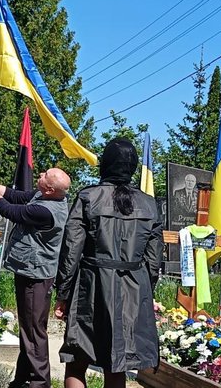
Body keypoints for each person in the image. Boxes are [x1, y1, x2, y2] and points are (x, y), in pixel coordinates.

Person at [54, 138, 164, 388]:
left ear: (105, 164)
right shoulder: (149, 204)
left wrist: (62, 294)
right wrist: (143, 293)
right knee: (117, 364)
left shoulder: (87, 197)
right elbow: (154, 260)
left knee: (77, 359)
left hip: (90, 288)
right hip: (131, 291)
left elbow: (71, 250)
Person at [0, 167, 72, 388]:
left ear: (49, 189)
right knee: (28, 328)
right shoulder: (45, 196)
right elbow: (14, 195)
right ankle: (22, 380)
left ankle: (39, 383)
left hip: (35, 276)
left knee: (34, 331)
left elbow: (10, 210)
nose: (40, 174)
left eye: (45, 176)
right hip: (29, 272)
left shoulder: (47, 211)